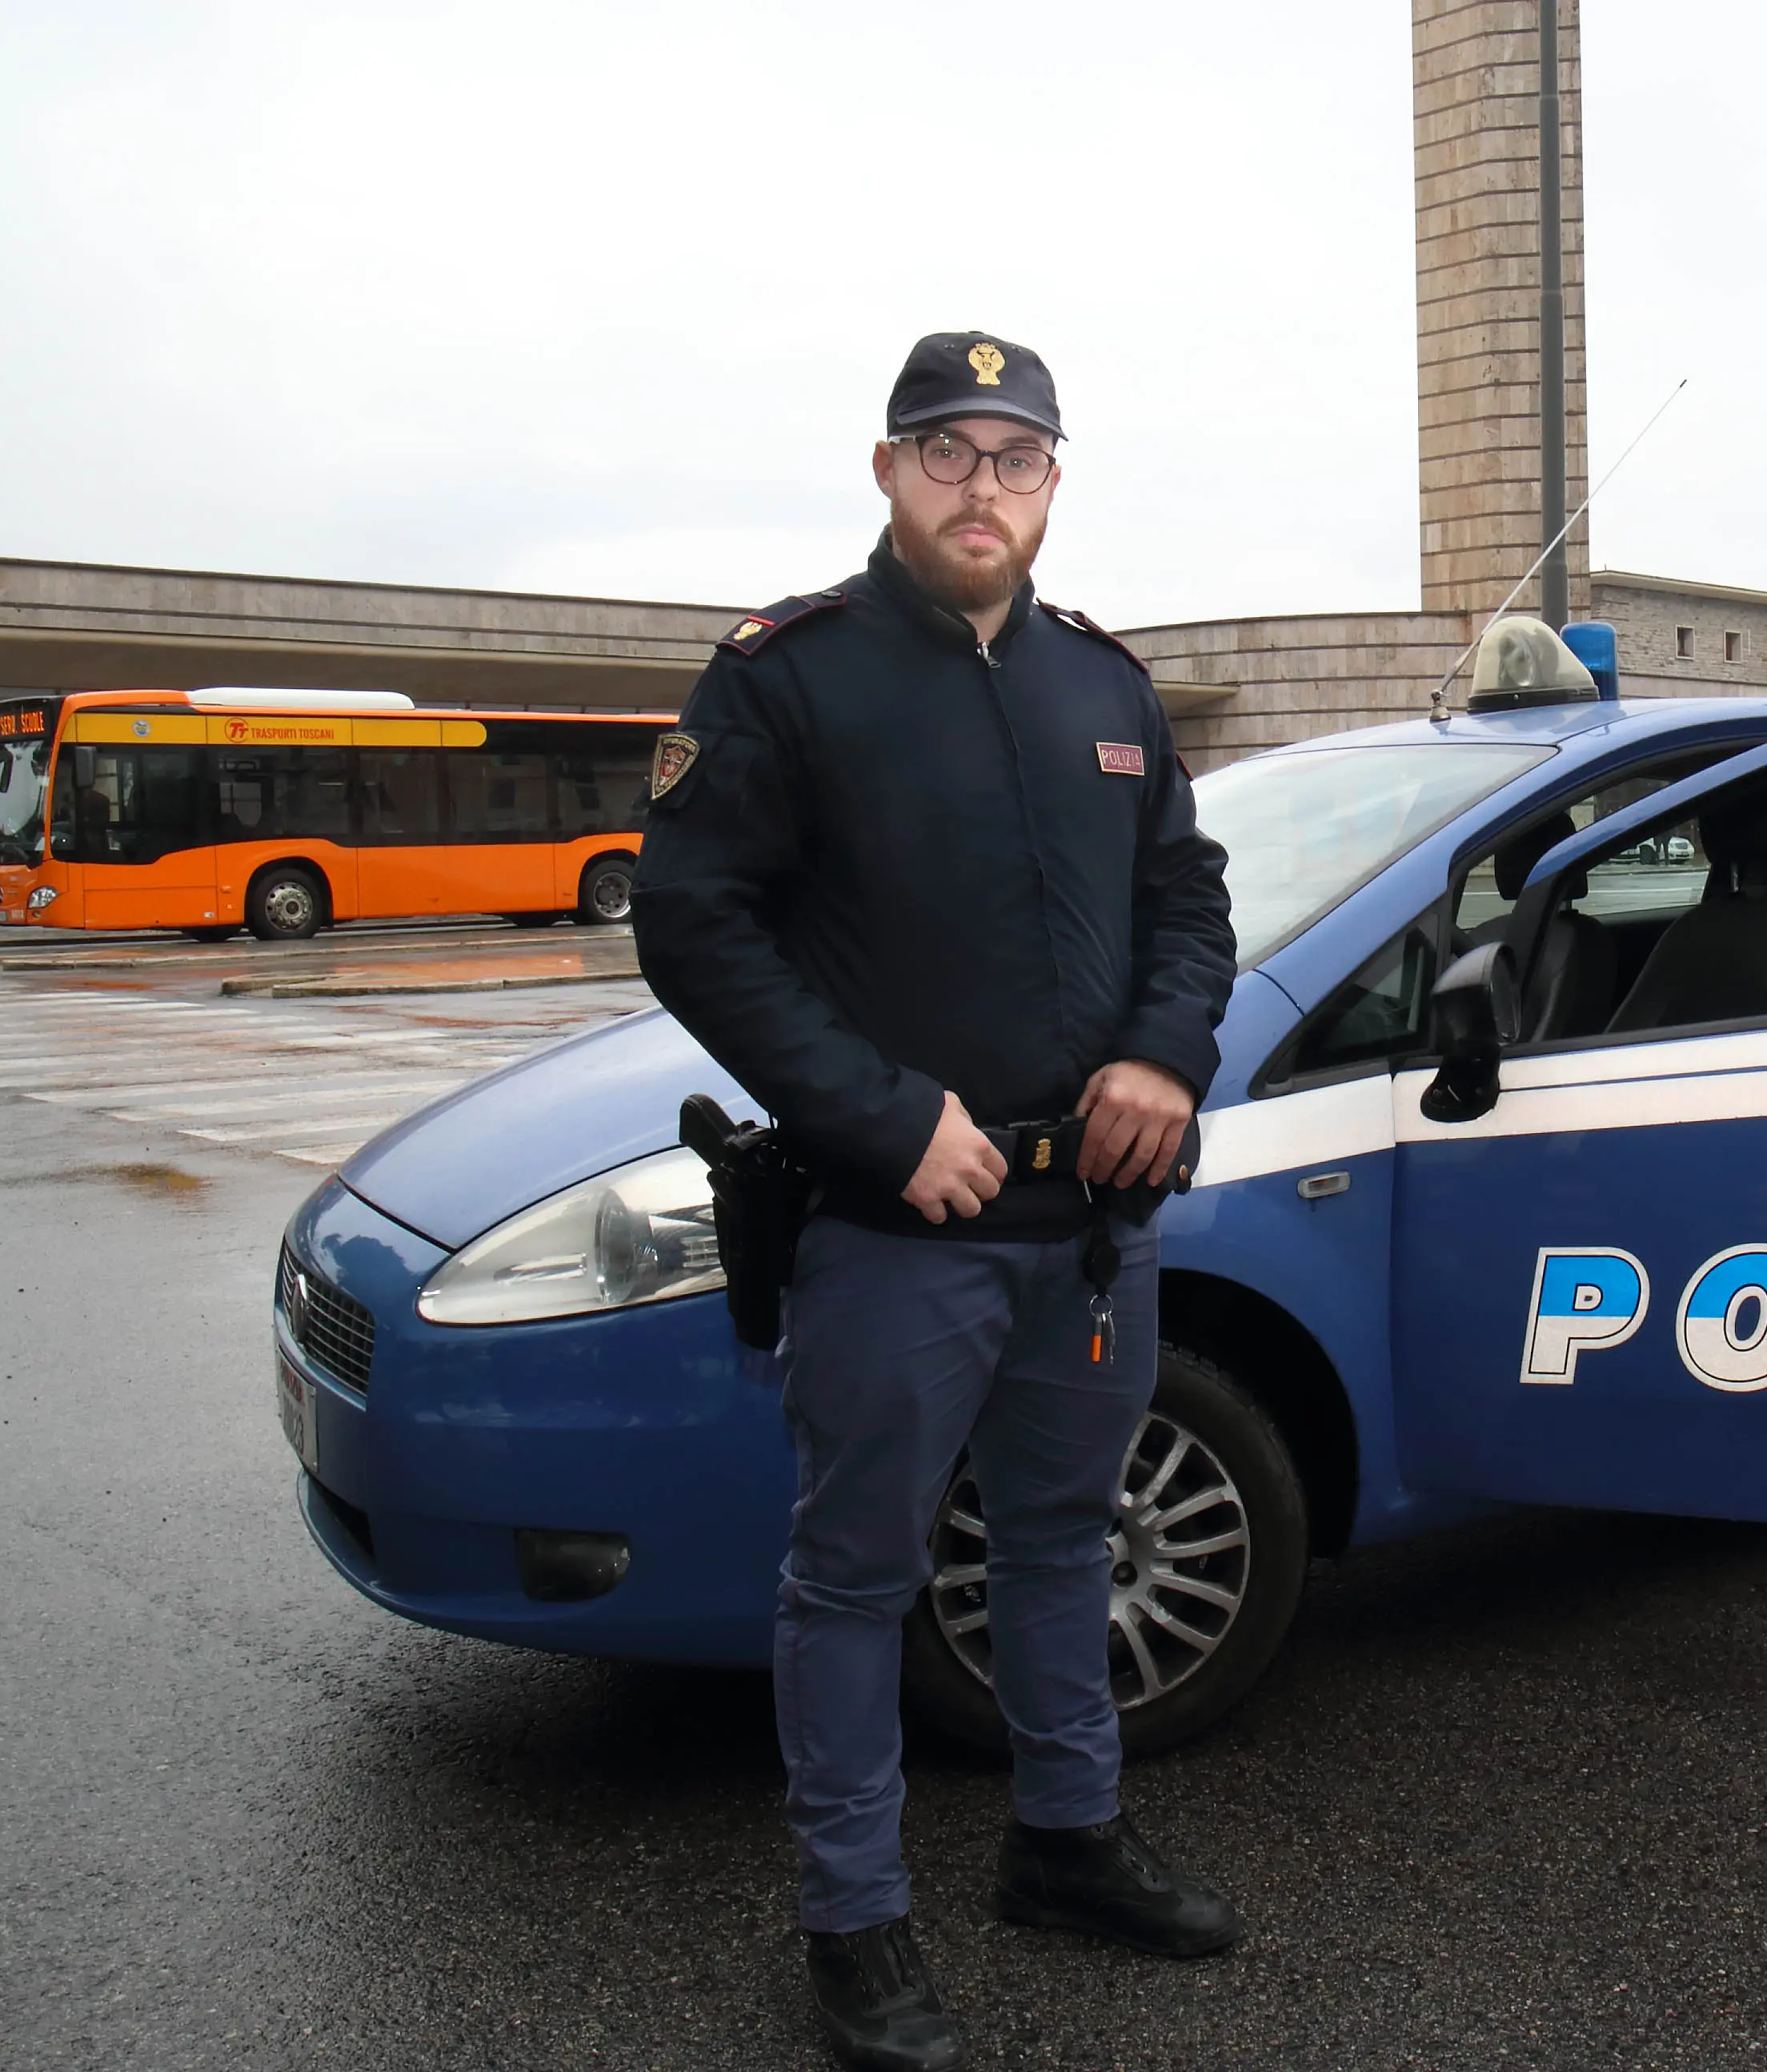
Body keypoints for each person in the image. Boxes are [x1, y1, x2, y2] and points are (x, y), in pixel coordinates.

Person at [633, 331, 1241, 2070]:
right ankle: (855, 1923)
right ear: (889, 472)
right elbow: (694, 922)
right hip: (905, 1231)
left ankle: (1065, 1842)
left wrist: (1164, 1057)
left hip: (1093, 1230)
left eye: (1019, 456)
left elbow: (1188, 905)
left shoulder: (1101, 687)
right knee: (854, 1577)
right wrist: (885, 1117)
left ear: (1056, 481)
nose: (986, 486)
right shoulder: (787, 678)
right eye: (950, 452)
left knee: (1062, 1541)